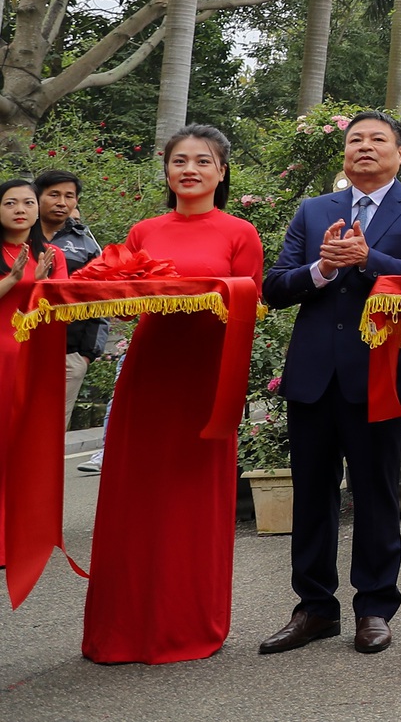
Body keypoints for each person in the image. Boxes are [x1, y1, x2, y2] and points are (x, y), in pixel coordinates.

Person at [260, 111, 401, 656]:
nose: (365, 148)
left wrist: (369, 260)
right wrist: (320, 269)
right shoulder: (315, 210)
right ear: (345, 153)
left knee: (376, 495)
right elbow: (275, 287)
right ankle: (314, 608)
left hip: (381, 373)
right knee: (312, 497)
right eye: (355, 140)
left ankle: (375, 608)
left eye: (377, 140)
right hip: (314, 375)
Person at [83, 127, 261, 664]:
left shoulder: (239, 232)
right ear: (166, 171)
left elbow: (248, 304)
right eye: (179, 161)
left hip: (206, 373)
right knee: (135, 496)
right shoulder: (143, 229)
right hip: (150, 368)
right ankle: (124, 626)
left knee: (193, 498)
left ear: (221, 172)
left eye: (203, 161)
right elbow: (117, 291)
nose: (190, 169)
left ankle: (186, 622)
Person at [0, 179, 61, 570]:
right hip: (2, 357)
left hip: (36, 359)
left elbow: (62, 304)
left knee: (28, 449)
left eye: (27, 202)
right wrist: (12, 279)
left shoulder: (53, 253)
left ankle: (25, 535)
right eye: (9, 203)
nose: (20, 209)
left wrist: (41, 281)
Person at [35, 170, 101, 437]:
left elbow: (99, 299)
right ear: (36, 197)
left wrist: (87, 353)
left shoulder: (86, 243)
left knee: (50, 436)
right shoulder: (15, 233)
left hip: (68, 353)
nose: (62, 202)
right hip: (14, 348)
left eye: (69, 196)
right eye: (54, 194)